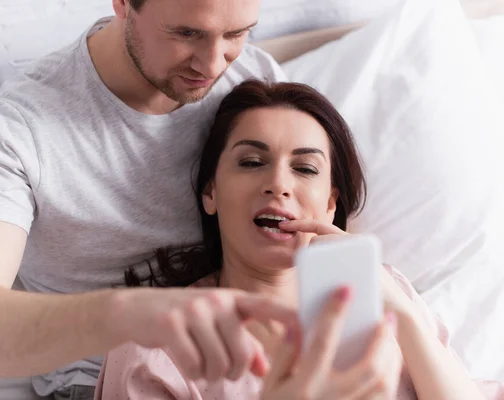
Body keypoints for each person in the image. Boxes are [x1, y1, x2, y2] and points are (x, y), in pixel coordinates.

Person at [0, 0, 303, 399]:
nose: (212, 66)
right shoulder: (19, 129)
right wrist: (130, 315)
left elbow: (321, 209)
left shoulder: (252, 80)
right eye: (186, 33)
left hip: (247, 366)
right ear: (123, 3)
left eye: (236, 34)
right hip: (99, 382)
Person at [96, 80, 504, 400]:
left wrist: (403, 312)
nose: (278, 183)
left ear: (330, 205)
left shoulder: (386, 289)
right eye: (252, 162)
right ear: (211, 194)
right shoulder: (154, 348)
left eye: (305, 169)